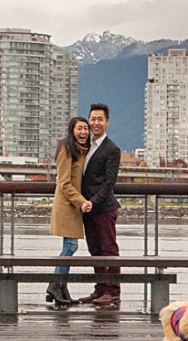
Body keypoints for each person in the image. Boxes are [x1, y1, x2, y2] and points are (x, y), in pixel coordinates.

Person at [78, 103, 122, 305]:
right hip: (87, 207)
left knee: (109, 249)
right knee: (94, 249)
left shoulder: (112, 149)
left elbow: (109, 182)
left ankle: (113, 291)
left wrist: (92, 202)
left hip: (104, 208)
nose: (96, 123)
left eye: (100, 119)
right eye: (93, 119)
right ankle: (100, 288)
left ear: (107, 122)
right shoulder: (85, 146)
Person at [47, 117, 93, 305]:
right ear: (71, 130)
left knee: (70, 246)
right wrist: (81, 201)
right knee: (70, 246)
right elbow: (64, 181)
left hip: (73, 205)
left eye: (85, 129)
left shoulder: (81, 151)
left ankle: (61, 288)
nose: (83, 132)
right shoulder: (67, 149)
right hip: (67, 204)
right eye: (79, 128)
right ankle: (55, 285)